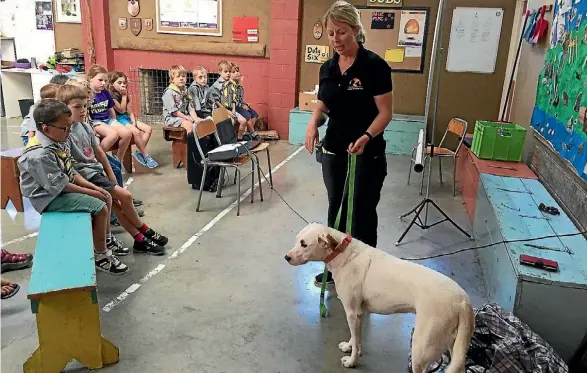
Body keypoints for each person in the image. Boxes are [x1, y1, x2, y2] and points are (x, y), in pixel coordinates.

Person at [304, 0, 393, 287]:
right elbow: (324, 104)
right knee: (336, 211)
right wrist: (312, 123)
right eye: (331, 33)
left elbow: (385, 113)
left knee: (363, 213)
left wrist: (367, 137)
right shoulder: (328, 68)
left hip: (367, 155)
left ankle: (368, 275)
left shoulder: (375, 66)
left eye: (341, 32)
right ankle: (337, 271)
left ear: (356, 30)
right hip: (334, 153)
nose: (335, 39)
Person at [17, 99, 129, 275]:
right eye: (65, 128)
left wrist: (94, 188)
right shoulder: (39, 154)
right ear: (45, 128)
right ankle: (101, 256)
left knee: (105, 195)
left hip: (60, 187)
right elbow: (61, 185)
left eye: (70, 126)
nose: (69, 132)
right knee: (99, 205)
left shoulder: (58, 138)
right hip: (47, 197)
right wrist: (92, 191)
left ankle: (105, 241)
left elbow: (70, 172)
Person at [57, 85, 168, 256]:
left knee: (117, 204)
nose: (83, 110)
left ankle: (139, 239)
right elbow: (71, 168)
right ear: (63, 108)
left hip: (96, 172)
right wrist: (94, 185)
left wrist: (110, 174)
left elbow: (99, 153)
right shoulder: (64, 133)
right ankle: (144, 229)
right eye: (77, 107)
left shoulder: (86, 127)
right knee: (126, 196)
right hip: (87, 178)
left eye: (85, 106)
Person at [108, 71, 158, 168]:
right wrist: (124, 96)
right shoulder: (112, 96)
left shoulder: (123, 94)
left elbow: (129, 111)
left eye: (124, 82)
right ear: (112, 84)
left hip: (126, 118)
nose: (123, 85)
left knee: (148, 129)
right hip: (119, 119)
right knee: (136, 132)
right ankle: (145, 155)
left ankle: (139, 152)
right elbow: (121, 110)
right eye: (119, 83)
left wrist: (134, 122)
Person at [87, 65, 131, 171]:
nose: (103, 83)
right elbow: (86, 114)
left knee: (127, 133)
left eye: (105, 80)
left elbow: (110, 109)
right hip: (96, 122)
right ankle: (98, 158)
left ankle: (118, 160)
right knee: (113, 134)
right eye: (100, 80)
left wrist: (115, 121)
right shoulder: (88, 94)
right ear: (90, 79)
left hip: (108, 119)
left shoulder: (105, 92)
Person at [210, 60, 247, 136]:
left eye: (229, 71)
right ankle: (227, 141)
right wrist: (227, 112)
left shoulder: (231, 83)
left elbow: (233, 98)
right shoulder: (216, 86)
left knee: (243, 121)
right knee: (231, 121)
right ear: (219, 72)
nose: (228, 73)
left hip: (231, 109)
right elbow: (216, 102)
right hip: (221, 110)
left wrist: (233, 109)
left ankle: (239, 139)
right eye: (225, 71)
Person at [162, 65, 200, 132]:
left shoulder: (185, 90)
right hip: (172, 119)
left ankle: (203, 141)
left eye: (183, 76)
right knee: (189, 125)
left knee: (202, 122)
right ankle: (191, 142)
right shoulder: (169, 92)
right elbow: (174, 112)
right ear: (172, 80)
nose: (181, 78)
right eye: (178, 76)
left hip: (183, 116)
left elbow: (190, 108)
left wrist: (196, 119)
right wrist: (187, 118)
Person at [232, 64, 259, 141]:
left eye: (237, 71)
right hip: (235, 107)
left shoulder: (239, 85)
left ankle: (247, 133)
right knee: (247, 115)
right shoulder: (231, 86)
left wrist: (245, 104)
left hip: (240, 105)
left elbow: (240, 98)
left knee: (254, 114)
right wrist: (242, 105)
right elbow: (233, 100)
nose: (237, 73)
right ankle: (253, 133)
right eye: (234, 72)